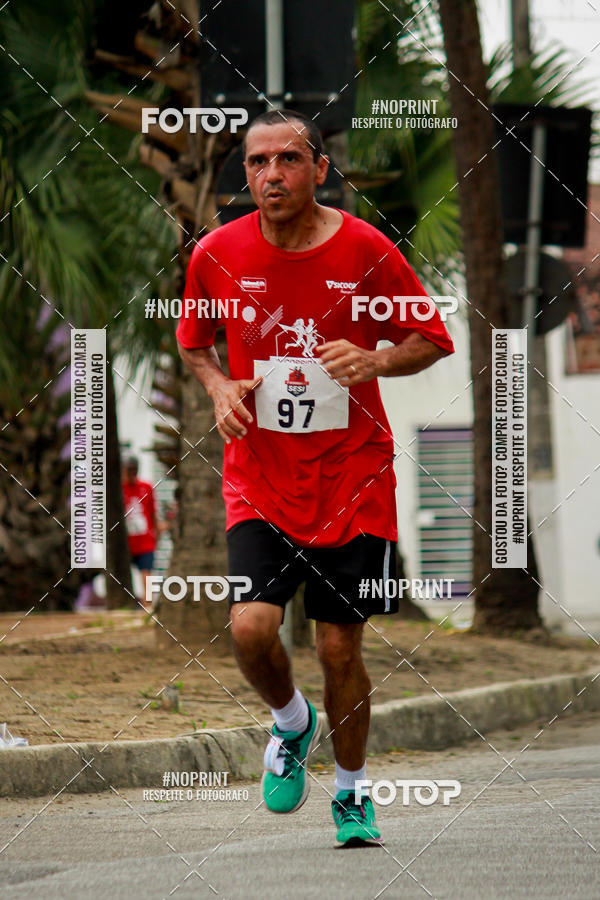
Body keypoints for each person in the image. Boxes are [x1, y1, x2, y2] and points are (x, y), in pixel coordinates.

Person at [176, 109, 454, 845]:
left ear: (319, 170)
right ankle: (291, 722)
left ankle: (354, 793)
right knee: (249, 627)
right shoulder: (215, 254)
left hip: (353, 474)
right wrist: (217, 387)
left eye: (290, 160)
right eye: (259, 162)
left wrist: (376, 359)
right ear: (246, 174)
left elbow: (431, 336)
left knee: (339, 647)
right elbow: (195, 343)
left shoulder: (365, 249)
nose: (274, 174)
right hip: (260, 477)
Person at [121, 454, 162, 610]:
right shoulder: (117, 490)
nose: (132, 473)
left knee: (147, 575)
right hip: (125, 543)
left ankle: (148, 607)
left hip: (145, 541)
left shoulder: (146, 487)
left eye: (134, 470)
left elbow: (153, 513)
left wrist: (156, 535)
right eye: (129, 470)